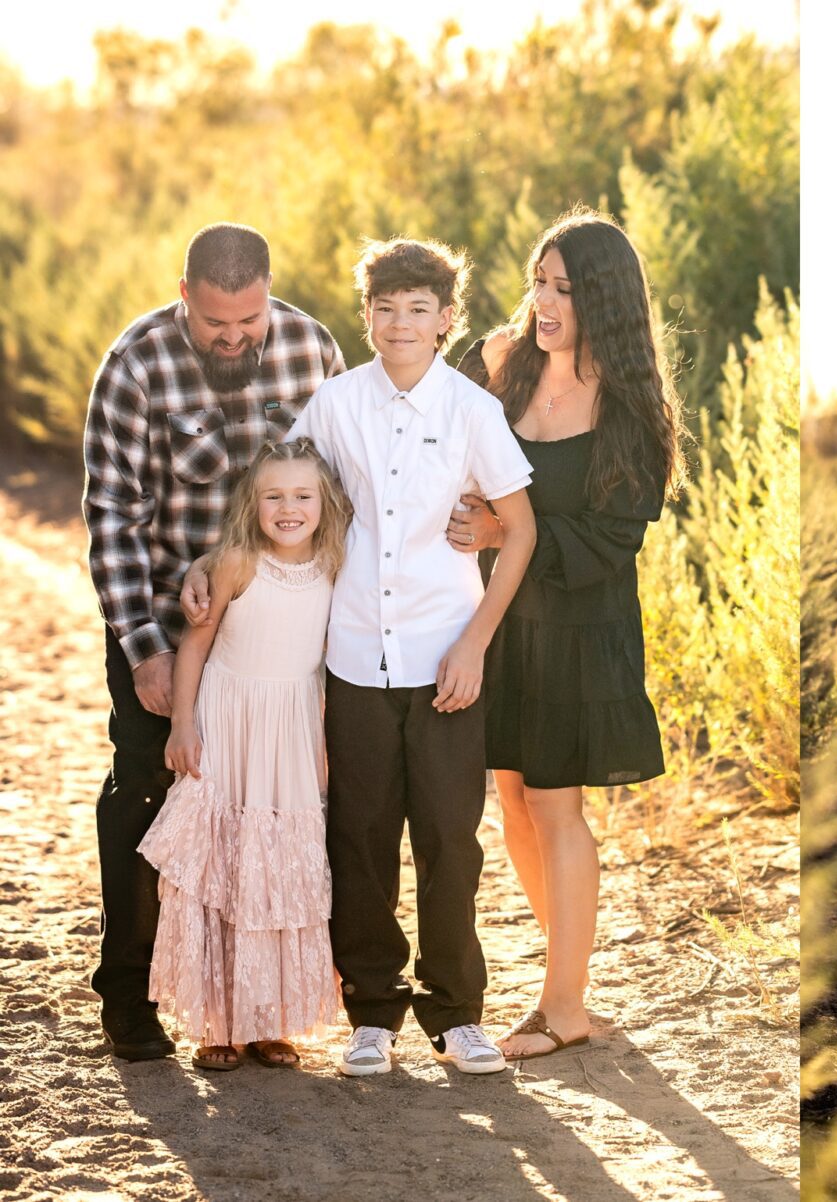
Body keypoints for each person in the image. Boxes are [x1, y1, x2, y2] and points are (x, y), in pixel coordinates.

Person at [194, 237, 539, 1075]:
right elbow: (287, 494)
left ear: (446, 319)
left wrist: (475, 646)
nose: (400, 323)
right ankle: (373, 1014)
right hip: (351, 661)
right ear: (368, 317)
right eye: (385, 309)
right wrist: (218, 562)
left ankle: (458, 1014)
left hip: (444, 660)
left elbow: (519, 531)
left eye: (418, 309)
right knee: (359, 837)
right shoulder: (336, 405)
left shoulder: (471, 411)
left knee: (451, 843)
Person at [83, 223, 344, 1061]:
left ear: (269, 293)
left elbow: (348, 482)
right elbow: (114, 520)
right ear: (184, 293)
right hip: (169, 624)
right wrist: (145, 648)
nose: (235, 340)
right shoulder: (135, 363)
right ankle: (128, 995)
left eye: (249, 322)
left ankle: (261, 1004)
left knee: (267, 818)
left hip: (287, 636)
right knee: (148, 795)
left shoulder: (311, 348)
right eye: (216, 325)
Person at [445, 207, 686, 1060]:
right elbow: (448, 450)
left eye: (564, 289)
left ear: (606, 302)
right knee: (510, 798)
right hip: (500, 615)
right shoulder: (499, 363)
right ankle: (570, 974)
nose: (543, 303)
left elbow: (614, 538)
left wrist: (504, 532)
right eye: (537, 283)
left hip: (580, 626)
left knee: (553, 802)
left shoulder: (631, 407)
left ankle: (563, 1008)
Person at [139, 440, 351, 1071]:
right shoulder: (237, 562)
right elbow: (196, 647)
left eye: (303, 496)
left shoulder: (336, 562)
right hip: (229, 723)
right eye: (273, 496)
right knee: (223, 870)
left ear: (326, 502)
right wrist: (182, 725)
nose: (289, 508)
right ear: (252, 504)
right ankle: (217, 1025)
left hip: (290, 728)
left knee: (280, 868)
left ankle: (272, 1021)